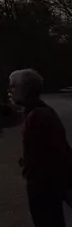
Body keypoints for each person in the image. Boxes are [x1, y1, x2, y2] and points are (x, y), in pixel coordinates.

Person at [9, 68, 72, 227]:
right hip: (47, 184)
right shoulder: (38, 112)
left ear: (26, 89)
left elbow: (55, 153)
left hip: (44, 186)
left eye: (13, 86)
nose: (10, 90)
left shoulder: (37, 116)